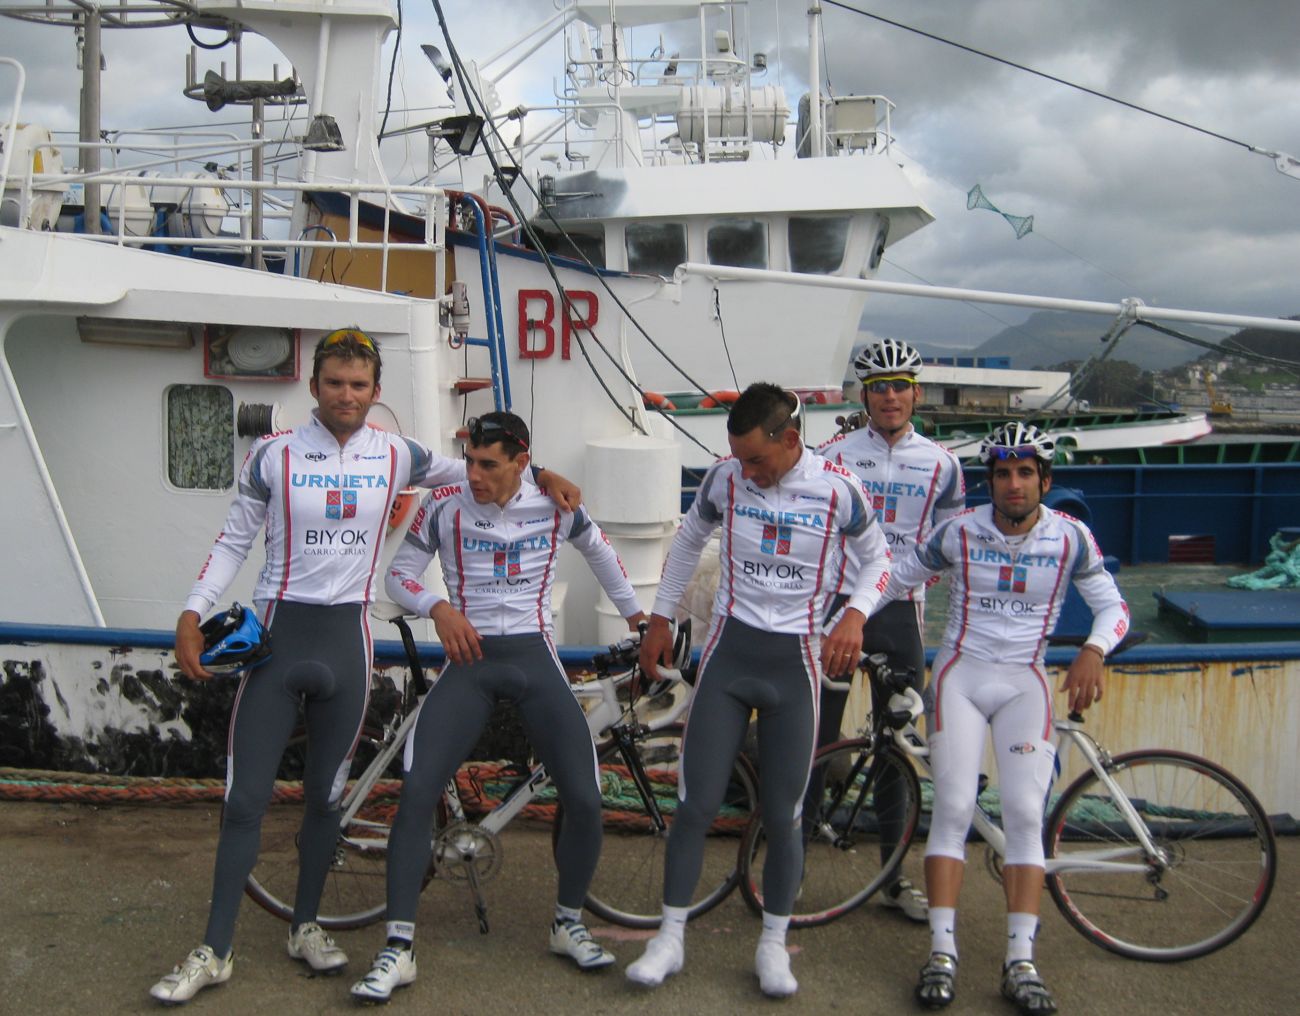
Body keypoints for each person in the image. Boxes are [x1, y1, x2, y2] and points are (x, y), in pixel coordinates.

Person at [150, 330, 580, 1005]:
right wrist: (191, 610)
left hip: (347, 644)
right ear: (314, 387)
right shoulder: (273, 454)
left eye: (358, 385)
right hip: (282, 636)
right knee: (245, 801)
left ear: (376, 392)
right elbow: (233, 539)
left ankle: (305, 926)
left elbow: (484, 467)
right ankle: (215, 950)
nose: (345, 396)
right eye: (334, 383)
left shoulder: (398, 454)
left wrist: (545, 473)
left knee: (326, 799)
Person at [349, 411, 647, 1002]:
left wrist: (640, 620)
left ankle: (568, 924)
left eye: (488, 464)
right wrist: (439, 608)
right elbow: (398, 576)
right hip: (470, 662)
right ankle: (398, 948)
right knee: (417, 790)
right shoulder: (445, 505)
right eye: (469, 461)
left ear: (521, 462)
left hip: (535, 659)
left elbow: (602, 554)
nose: (474, 474)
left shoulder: (555, 503)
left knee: (586, 798)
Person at [628, 382, 890, 998]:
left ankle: (773, 943)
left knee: (784, 813)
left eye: (756, 459)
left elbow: (879, 561)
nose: (745, 471)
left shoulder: (838, 490)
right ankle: (669, 937)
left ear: (790, 439)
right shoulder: (726, 479)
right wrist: (660, 618)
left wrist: (855, 614)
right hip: (729, 658)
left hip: (794, 667)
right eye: (738, 459)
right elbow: (688, 540)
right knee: (695, 804)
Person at [878, 422, 1129, 1015]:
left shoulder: (1071, 538)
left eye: (1024, 473)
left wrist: (1094, 650)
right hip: (961, 677)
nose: (1013, 484)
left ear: (1044, 479)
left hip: (1025, 682)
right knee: (954, 808)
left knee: (1023, 815)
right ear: (988, 481)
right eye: (1002, 474)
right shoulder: (958, 531)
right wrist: (846, 619)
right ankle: (942, 953)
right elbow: (893, 579)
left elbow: (1114, 607)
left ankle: (1021, 962)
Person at [814, 337, 965, 920]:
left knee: (895, 747)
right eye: (879, 388)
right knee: (817, 740)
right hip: (838, 608)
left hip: (901, 613)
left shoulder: (943, 464)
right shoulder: (833, 454)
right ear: (865, 396)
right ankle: (791, 865)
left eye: (901, 386)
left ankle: (892, 879)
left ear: (916, 394)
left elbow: (951, 542)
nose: (891, 397)